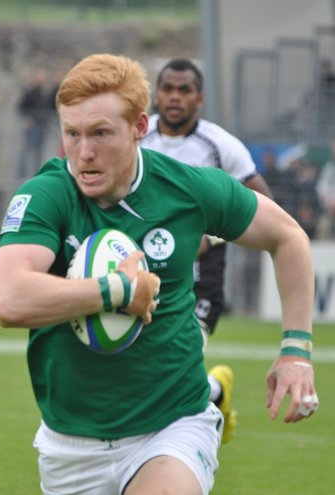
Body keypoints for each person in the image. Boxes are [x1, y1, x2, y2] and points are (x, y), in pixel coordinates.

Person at [0, 53, 317, 495]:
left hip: (172, 425)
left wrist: (296, 351)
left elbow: (288, 237)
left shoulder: (188, 188)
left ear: (139, 127)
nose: (84, 152)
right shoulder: (46, 196)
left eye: (101, 133)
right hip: (70, 443)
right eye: (72, 133)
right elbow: (9, 298)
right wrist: (119, 291)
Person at [140, 58, 273, 443]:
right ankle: (215, 391)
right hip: (144, 273)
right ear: (157, 94)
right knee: (149, 372)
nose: (175, 97)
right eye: (168, 89)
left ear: (200, 98)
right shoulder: (137, 137)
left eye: (184, 90)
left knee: (172, 368)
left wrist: (211, 235)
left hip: (201, 278)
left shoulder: (221, 146)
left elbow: (265, 206)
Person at [17, 68, 52, 179]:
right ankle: (21, 175)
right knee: (27, 152)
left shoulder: (44, 94)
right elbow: (21, 108)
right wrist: (28, 118)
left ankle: (36, 174)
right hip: (33, 128)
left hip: (42, 127)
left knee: (38, 153)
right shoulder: (30, 93)